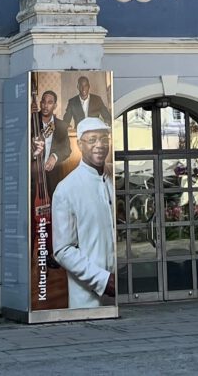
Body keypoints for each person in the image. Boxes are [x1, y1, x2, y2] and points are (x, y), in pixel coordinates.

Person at [50, 117, 116, 309]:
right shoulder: (66, 189)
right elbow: (63, 250)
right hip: (88, 299)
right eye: (92, 139)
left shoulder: (116, 177)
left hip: (123, 293)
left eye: (104, 139)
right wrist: (103, 280)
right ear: (79, 144)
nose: (100, 145)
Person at [32, 87, 71, 190]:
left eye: (50, 102)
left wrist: (54, 157)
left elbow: (67, 149)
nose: (45, 106)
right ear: (40, 103)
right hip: (33, 175)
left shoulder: (61, 125)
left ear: (55, 105)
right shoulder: (31, 121)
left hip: (54, 177)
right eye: (43, 102)